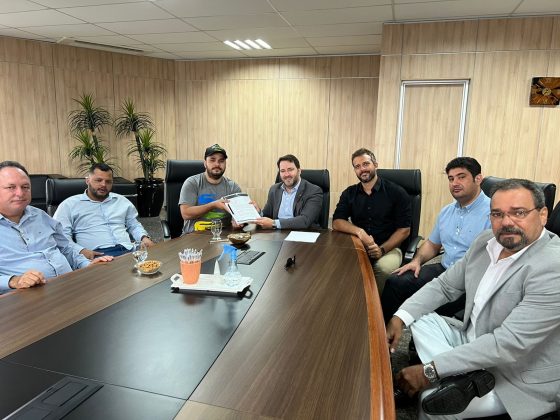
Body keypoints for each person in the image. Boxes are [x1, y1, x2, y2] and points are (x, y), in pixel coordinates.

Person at [387, 179, 560, 419]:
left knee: (431, 403)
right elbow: (445, 285)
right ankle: (463, 375)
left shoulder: (553, 266)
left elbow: (508, 343)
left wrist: (430, 371)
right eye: (497, 214)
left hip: (513, 373)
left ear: (542, 215)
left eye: (519, 212)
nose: (506, 222)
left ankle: (451, 376)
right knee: (420, 319)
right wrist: (400, 317)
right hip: (471, 338)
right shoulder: (485, 242)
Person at [381, 157, 491, 323]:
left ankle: (420, 334)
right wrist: (417, 261)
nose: (455, 183)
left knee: (433, 307)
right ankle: (383, 333)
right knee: (396, 282)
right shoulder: (446, 211)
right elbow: (432, 244)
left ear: (478, 179)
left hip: (471, 279)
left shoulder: (494, 213)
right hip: (445, 268)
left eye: (461, 177)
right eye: (451, 179)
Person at [0, 161, 112, 294]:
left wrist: (87, 264)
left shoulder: (40, 216)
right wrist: (13, 280)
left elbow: (66, 249)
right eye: (11, 187)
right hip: (26, 298)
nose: (20, 193)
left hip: (70, 287)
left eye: (25, 187)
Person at [332, 148, 411, 291]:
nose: (362, 169)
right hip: (360, 246)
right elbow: (337, 221)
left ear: (375, 164)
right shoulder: (349, 193)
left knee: (383, 268)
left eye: (366, 164)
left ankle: (375, 305)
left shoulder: (397, 192)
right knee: (338, 265)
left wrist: (381, 250)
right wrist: (360, 232)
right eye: (357, 166)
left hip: (389, 248)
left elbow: (404, 230)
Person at [53, 163, 154, 258]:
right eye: (98, 180)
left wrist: (144, 238)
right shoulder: (69, 205)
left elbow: (133, 225)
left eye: (108, 181)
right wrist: (81, 251)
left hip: (129, 250)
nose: (103, 185)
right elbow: (61, 236)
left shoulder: (122, 201)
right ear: (87, 181)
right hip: (97, 255)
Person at [179, 144, 241, 234]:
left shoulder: (233, 187)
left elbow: (240, 214)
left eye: (221, 161)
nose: (217, 164)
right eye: (212, 160)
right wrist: (213, 205)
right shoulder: (192, 183)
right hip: (194, 236)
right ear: (205, 163)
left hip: (223, 236)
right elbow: (186, 214)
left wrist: (239, 221)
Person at [255, 154, 322, 230]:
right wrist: (258, 212)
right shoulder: (274, 189)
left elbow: (305, 220)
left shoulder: (313, 191)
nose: (286, 174)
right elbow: (267, 215)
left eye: (290, 170)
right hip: (276, 233)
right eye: (282, 171)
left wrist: (274, 223)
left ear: (299, 171)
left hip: (302, 233)